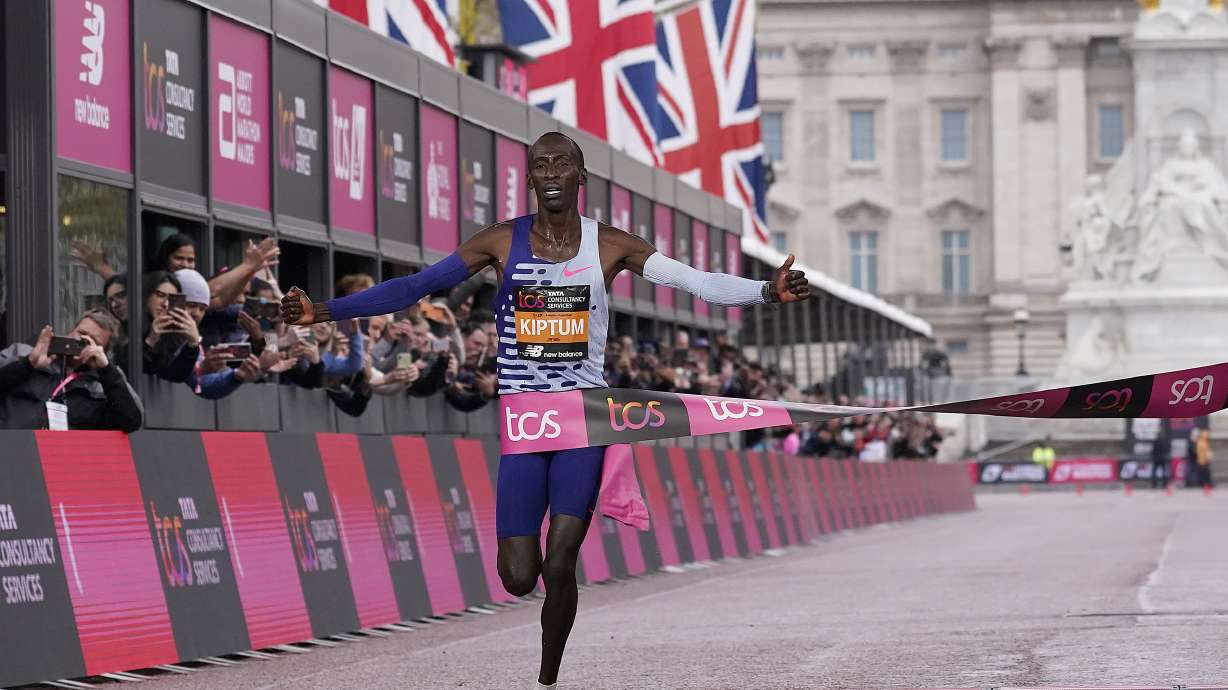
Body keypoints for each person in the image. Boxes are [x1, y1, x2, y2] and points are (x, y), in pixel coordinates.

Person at [280, 131, 809, 689]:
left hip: (584, 419)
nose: (552, 171)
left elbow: (697, 282)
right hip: (526, 425)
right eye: (541, 165)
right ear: (529, 179)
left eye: (563, 163)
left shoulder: (610, 245)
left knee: (561, 560)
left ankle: (547, 679)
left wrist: (766, 291)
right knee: (518, 575)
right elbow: (415, 287)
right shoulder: (500, 243)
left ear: (581, 178)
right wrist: (322, 311)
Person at [0, 310, 143, 432]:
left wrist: (106, 370)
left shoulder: (102, 384)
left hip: (61, 458)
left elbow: (131, 421)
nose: (82, 341)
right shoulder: (22, 353)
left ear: (102, 351)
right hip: (12, 451)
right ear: (70, 331)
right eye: (81, 333)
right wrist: (27, 364)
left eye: (93, 340)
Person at [1150, 419, 1172, 490]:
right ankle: (1164, 485)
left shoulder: (1155, 441)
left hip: (1156, 459)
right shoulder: (1164, 441)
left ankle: (1154, 485)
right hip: (1163, 459)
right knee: (1164, 473)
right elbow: (1167, 450)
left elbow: (1153, 450)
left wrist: (1153, 456)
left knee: (1154, 472)